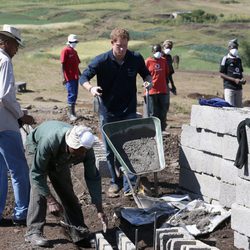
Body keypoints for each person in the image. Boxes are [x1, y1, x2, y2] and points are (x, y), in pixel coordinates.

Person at [79, 28, 152, 196]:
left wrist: (149, 83)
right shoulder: (101, 61)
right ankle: (115, 181)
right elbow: (83, 78)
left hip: (129, 110)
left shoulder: (135, 58)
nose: (122, 50)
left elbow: (147, 75)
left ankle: (130, 186)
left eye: (125, 46)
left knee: (129, 147)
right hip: (108, 111)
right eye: (119, 46)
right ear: (112, 43)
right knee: (110, 150)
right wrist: (91, 88)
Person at [24, 121, 108, 248]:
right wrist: (51, 201)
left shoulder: (86, 149)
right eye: (78, 151)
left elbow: (93, 178)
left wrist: (99, 209)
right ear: (70, 144)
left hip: (61, 156)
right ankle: (33, 232)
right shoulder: (49, 141)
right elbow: (37, 174)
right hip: (36, 147)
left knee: (66, 190)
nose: (82, 154)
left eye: (84, 151)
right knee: (38, 190)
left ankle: (79, 233)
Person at [0, 24, 35, 226]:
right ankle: (21, 214)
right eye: (16, 45)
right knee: (19, 169)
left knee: (0, 170)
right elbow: (5, 95)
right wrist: (21, 115)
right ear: (7, 43)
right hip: (5, 123)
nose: (17, 50)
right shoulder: (4, 61)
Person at [145, 44, 169, 131]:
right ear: (152, 52)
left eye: (159, 51)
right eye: (156, 51)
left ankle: (162, 130)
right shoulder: (148, 61)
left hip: (162, 91)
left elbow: (166, 75)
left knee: (163, 112)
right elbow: (144, 75)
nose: (158, 53)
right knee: (152, 113)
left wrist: (168, 87)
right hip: (152, 91)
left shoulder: (164, 61)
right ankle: (153, 131)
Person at [220, 38, 246, 107]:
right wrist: (234, 80)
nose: (235, 49)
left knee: (239, 109)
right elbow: (222, 74)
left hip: (239, 88)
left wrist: (242, 79)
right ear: (229, 48)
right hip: (229, 87)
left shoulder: (239, 59)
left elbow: (240, 73)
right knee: (230, 108)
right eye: (233, 47)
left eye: (236, 47)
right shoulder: (225, 59)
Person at [61, 34, 81, 121]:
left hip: (75, 76)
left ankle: (73, 112)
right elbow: (63, 64)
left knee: (75, 94)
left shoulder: (74, 52)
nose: (75, 43)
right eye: (73, 42)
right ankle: (70, 114)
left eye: (76, 42)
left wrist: (81, 74)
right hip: (69, 77)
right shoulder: (65, 51)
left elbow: (77, 65)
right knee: (71, 94)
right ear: (69, 42)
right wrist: (63, 77)